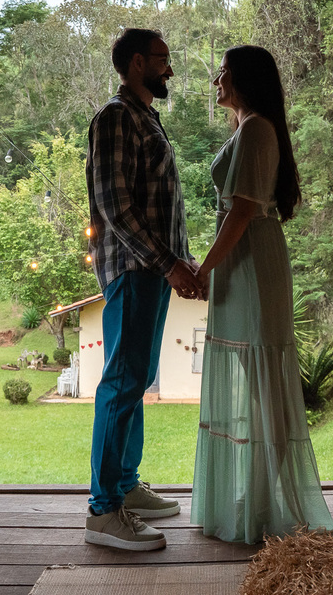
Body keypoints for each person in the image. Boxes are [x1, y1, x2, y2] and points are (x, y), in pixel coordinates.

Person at [192, 45, 333, 544]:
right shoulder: (247, 127)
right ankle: (254, 494)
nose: (216, 80)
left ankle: (263, 499)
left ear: (246, 79)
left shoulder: (255, 129)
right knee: (256, 385)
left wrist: (204, 267)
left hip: (251, 260)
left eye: (224, 72)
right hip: (244, 260)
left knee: (263, 386)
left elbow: (243, 210)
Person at [83, 27, 204, 551]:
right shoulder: (115, 117)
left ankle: (126, 489)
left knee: (138, 379)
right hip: (133, 270)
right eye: (162, 59)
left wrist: (182, 258)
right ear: (136, 63)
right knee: (122, 381)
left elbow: (158, 205)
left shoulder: (145, 118)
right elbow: (115, 206)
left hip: (151, 269)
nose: (169, 69)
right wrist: (165, 262)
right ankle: (104, 511)